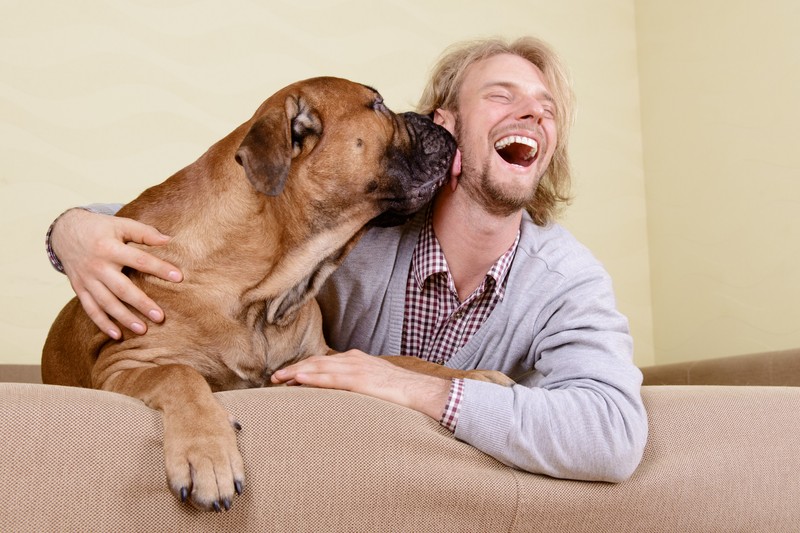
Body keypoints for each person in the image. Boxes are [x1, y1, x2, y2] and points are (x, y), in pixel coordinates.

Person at [46, 36, 648, 482]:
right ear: (445, 127)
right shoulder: (341, 230)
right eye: (502, 95)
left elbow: (614, 435)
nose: (535, 113)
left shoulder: (566, 279)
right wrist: (68, 229)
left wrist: (420, 388)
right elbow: (188, 223)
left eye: (547, 107)